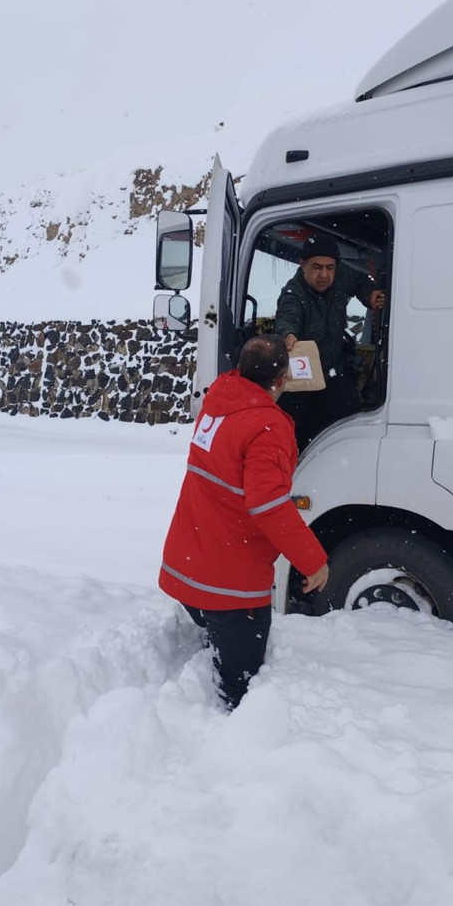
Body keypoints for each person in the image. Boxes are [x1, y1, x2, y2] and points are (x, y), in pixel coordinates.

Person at [159, 335, 329, 709]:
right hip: (232, 589)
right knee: (241, 694)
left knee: (219, 644)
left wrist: (270, 351)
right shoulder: (268, 427)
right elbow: (268, 503)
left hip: (189, 571)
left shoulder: (217, 402)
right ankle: (226, 751)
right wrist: (312, 560)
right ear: (283, 379)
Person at [273, 231, 386, 449]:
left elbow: (360, 281)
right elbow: (287, 317)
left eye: (329, 267)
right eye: (317, 267)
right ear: (302, 264)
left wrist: (370, 295)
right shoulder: (293, 293)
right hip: (304, 379)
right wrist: (287, 334)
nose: (324, 274)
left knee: (348, 421)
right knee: (299, 431)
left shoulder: (341, 275)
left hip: (335, 369)